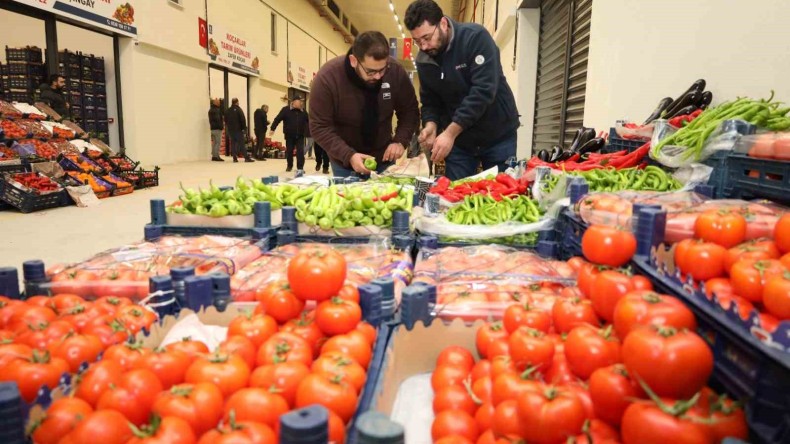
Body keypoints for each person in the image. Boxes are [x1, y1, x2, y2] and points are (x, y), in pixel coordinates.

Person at [405, 0, 519, 180]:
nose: (424, 46)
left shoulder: (475, 38)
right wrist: (431, 125)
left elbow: (483, 91)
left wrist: (449, 133)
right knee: (454, 191)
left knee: (503, 190)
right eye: (417, 41)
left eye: (427, 38)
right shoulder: (424, 60)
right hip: (461, 143)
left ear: (443, 24)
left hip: (497, 134)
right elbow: (430, 101)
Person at [309, 31, 419, 178]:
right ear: (354, 61)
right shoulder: (328, 78)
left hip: (384, 159)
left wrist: (400, 141)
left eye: (382, 69)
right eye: (371, 71)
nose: (378, 76)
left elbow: (410, 111)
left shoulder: (395, 71)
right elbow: (319, 126)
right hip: (344, 162)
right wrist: (348, 155)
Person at [269, 98, 308, 173]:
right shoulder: (286, 110)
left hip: (300, 135)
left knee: (300, 152)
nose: (301, 104)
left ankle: (300, 167)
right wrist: (272, 128)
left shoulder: (303, 111)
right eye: (299, 102)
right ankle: (289, 165)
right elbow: (277, 119)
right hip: (289, 135)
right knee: (289, 151)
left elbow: (309, 120)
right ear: (294, 102)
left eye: (301, 103)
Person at [225, 98, 253, 163]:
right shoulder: (238, 109)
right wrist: (244, 128)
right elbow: (242, 119)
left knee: (233, 144)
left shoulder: (228, 110)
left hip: (231, 130)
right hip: (238, 130)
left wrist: (229, 126)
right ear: (237, 102)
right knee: (241, 144)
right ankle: (246, 158)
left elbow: (225, 120)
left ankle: (234, 158)